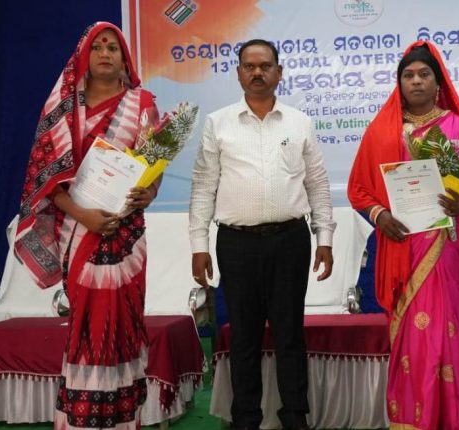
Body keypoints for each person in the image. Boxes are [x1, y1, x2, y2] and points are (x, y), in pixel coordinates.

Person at [14, 22, 160, 429]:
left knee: (125, 324)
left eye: (113, 47)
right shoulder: (63, 110)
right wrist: (84, 215)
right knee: (87, 326)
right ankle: (81, 420)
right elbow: (45, 180)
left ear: (124, 58)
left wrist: (148, 193)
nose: (105, 53)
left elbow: (153, 166)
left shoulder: (142, 104)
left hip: (125, 233)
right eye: (97, 47)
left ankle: (124, 420)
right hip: (78, 231)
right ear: (83, 57)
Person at [189, 39, 335, 430]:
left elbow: (317, 184)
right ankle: (246, 419)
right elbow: (203, 187)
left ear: (279, 72)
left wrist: (324, 238)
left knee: (290, 335)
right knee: (243, 337)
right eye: (249, 66)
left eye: (265, 66)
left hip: (290, 241)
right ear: (238, 72)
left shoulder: (299, 122)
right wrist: (199, 245)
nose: (257, 72)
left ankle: (295, 418)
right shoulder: (218, 123)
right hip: (236, 244)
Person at [348, 41, 459, 429]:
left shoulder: (456, 126)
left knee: (441, 332)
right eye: (408, 75)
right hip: (401, 245)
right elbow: (358, 189)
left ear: (438, 82)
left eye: (424, 74)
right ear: (399, 83)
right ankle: (411, 419)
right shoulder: (384, 130)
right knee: (412, 337)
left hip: (443, 245)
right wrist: (379, 216)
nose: (416, 81)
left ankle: (448, 419)